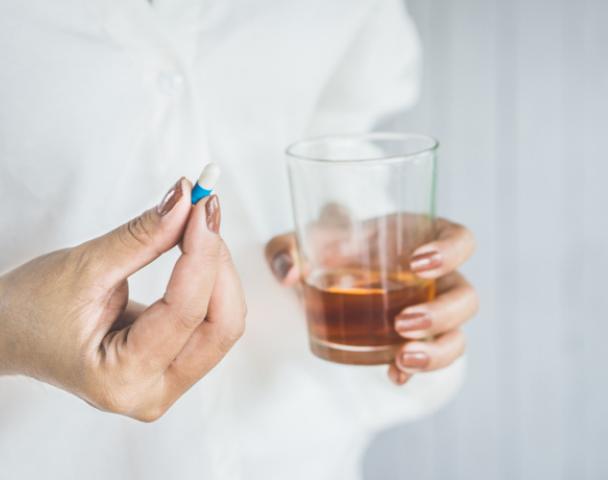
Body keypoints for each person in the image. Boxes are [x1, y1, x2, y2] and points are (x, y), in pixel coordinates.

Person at [0, 0, 478, 478]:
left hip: (289, 445)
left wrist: (350, 238)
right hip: (45, 451)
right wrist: (10, 330)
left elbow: (338, 136)